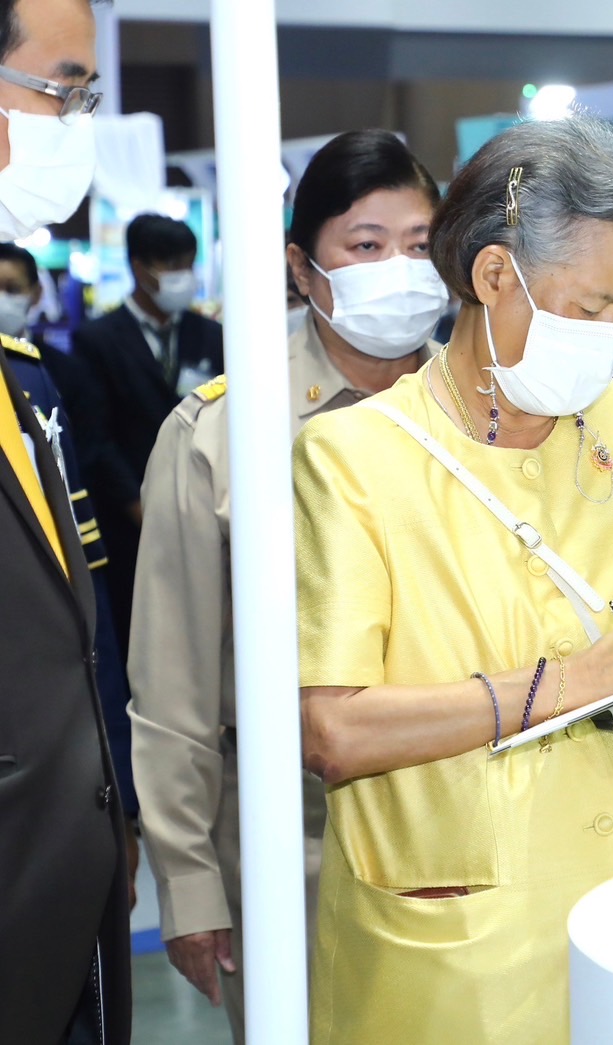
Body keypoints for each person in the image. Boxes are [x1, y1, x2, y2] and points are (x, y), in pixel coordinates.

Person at [292, 113, 613, 1043]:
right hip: (456, 954)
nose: (607, 338)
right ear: (494, 276)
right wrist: (571, 682)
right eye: (586, 309)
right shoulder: (352, 456)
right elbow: (332, 730)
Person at [128, 130, 444, 1041]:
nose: (398, 270)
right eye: (367, 244)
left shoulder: (494, 409)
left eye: (420, 245)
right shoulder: (222, 432)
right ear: (302, 268)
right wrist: (189, 882)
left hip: (467, 814)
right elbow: (175, 680)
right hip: (293, 839)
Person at [0, 1, 133, 1042]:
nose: (79, 125)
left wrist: (110, 805)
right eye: (63, 91)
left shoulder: (23, 376)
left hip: (61, 895)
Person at [71, 213, 225, 670]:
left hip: (206, 508)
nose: (182, 275)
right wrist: (140, 505)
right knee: (140, 634)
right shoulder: (97, 339)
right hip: (130, 520)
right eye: (171, 264)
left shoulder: (210, 335)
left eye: (188, 264)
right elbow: (95, 438)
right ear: (140, 267)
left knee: (207, 632)